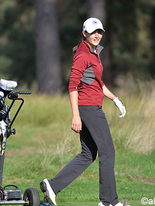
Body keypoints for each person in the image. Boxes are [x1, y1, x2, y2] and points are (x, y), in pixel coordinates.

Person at [40, 17, 127, 206]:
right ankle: (109, 201)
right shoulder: (83, 54)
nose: (97, 35)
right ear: (84, 33)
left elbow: (97, 82)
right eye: (93, 32)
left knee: (89, 154)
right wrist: (76, 115)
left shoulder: (93, 52)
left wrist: (115, 99)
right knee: (108, 152)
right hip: (88, 108)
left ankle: (52, 186)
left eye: (99, 32)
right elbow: (72, 85)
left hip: (90, 106)